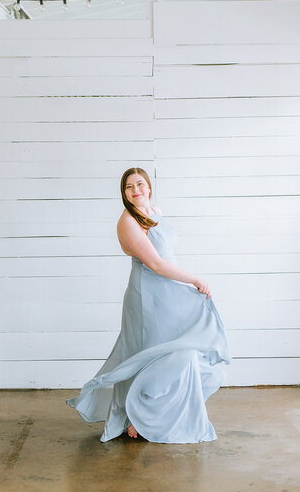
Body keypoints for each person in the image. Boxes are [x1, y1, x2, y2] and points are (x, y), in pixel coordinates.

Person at [66, 167, 232, 444]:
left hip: (168, 289)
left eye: (140, 184)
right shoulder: (128, 222)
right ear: (124, 194)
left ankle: (159, 413)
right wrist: (194, 279)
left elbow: (167, 255)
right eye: (129, 187)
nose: (135, 190)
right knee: (149, 352)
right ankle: (136, 417)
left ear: (149, 186)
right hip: (147, 294)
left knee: (177, 351)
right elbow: (154, 263)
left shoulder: (156, 211)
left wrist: (183, 285)